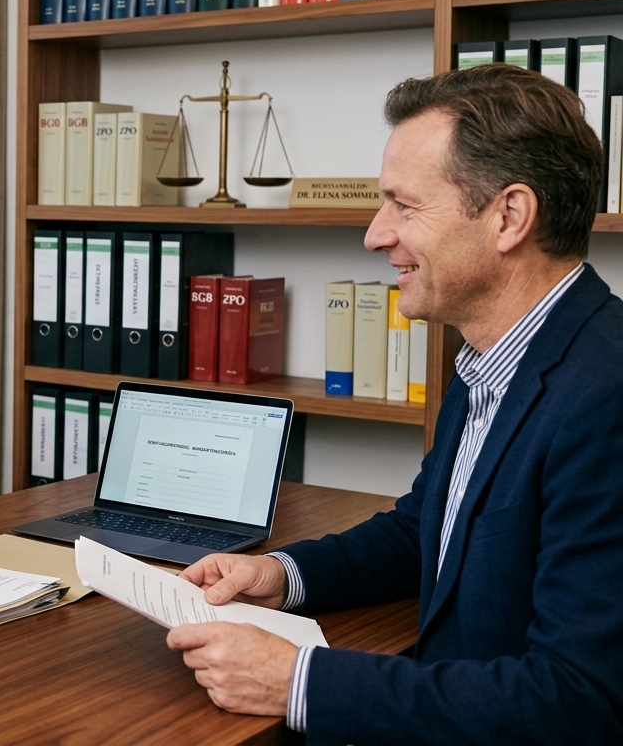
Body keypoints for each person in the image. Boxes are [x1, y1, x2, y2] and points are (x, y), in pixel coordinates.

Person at [166, 64, 623, 744]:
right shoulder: (492, 356)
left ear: (509, 216)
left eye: (405, 207)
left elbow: (578, 700)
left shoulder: (606, 393)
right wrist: (280, 574)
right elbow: (428, 532)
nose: (376, 235)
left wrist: (300, 682)